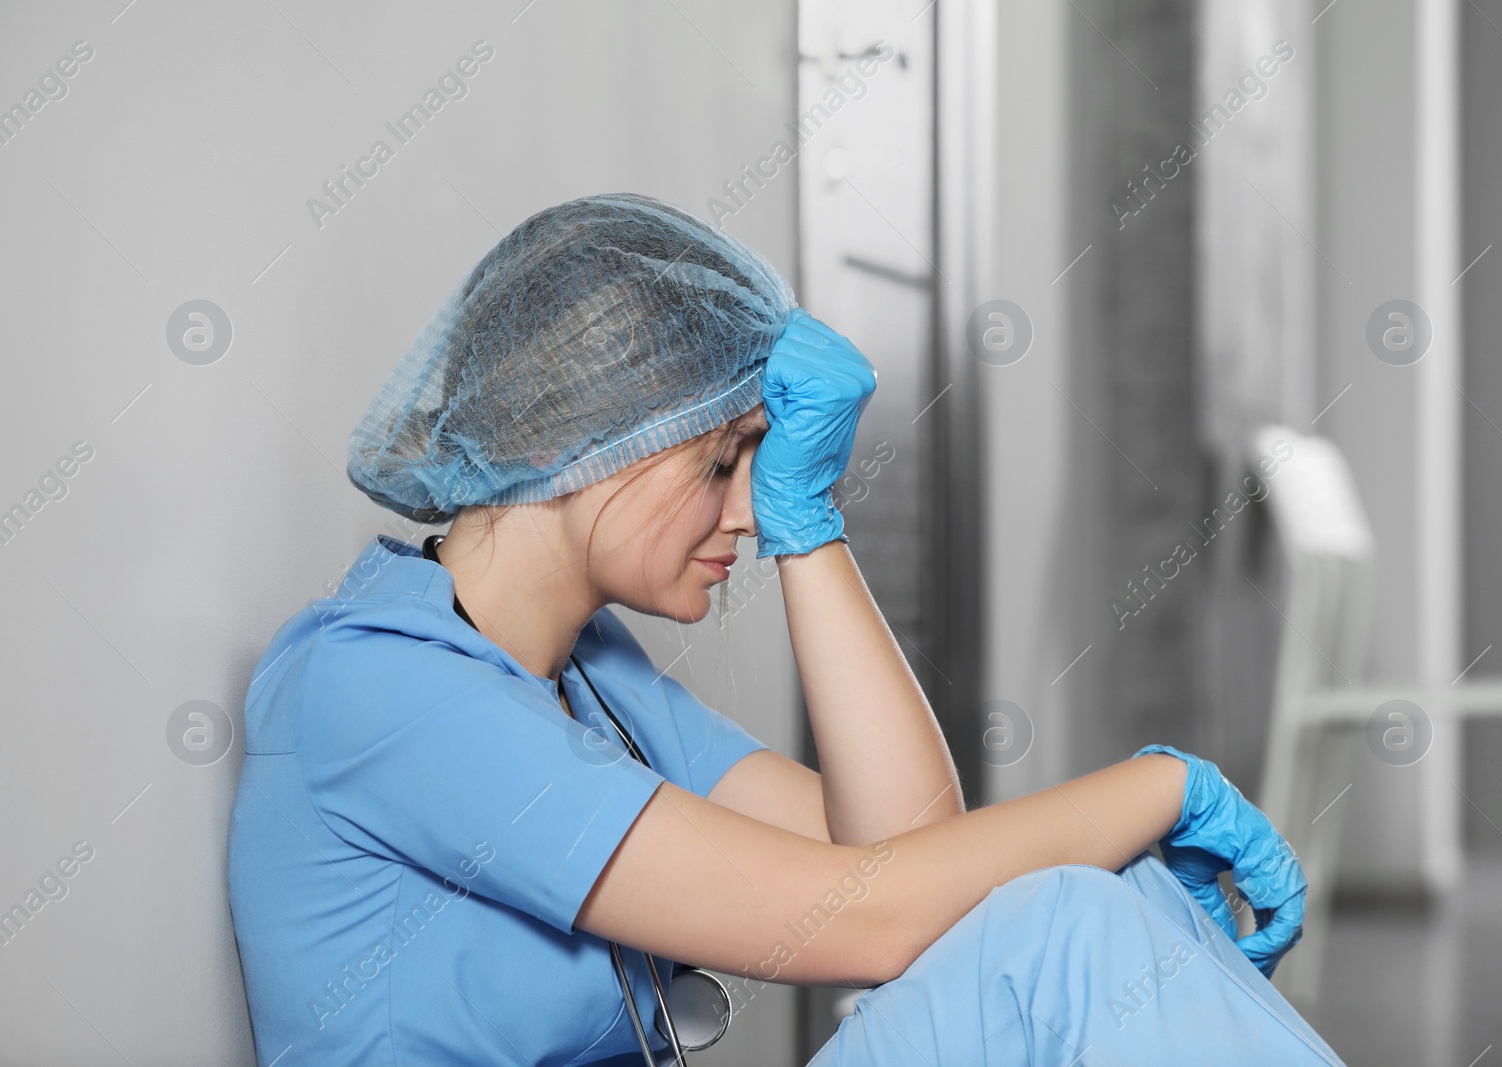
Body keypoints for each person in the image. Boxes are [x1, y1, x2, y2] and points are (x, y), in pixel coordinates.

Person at [227, 192, 1345, 1065]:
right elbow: (873, 917)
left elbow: (904, 852)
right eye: (722, 461)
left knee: (1088, 900)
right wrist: (1164, 786)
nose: (746, 509)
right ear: (570, 443)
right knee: (1066, 931)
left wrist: (810, 530)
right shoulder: (379, 688)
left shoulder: (588, 678)